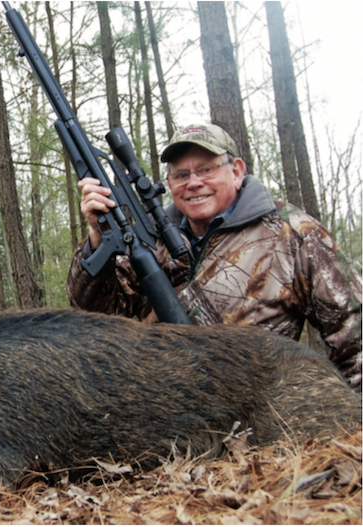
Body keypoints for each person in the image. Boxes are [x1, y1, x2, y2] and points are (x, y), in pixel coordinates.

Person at [67, 123, 362, 392]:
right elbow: (93, 315)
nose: (193, 183)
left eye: (206, 170)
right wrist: (98, 235)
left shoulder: (293, 233)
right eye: (181, 175)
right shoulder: (150, 241)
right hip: (164, 419)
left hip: (262, 423)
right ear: (169, 184)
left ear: (236, 171)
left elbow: (354, 339)